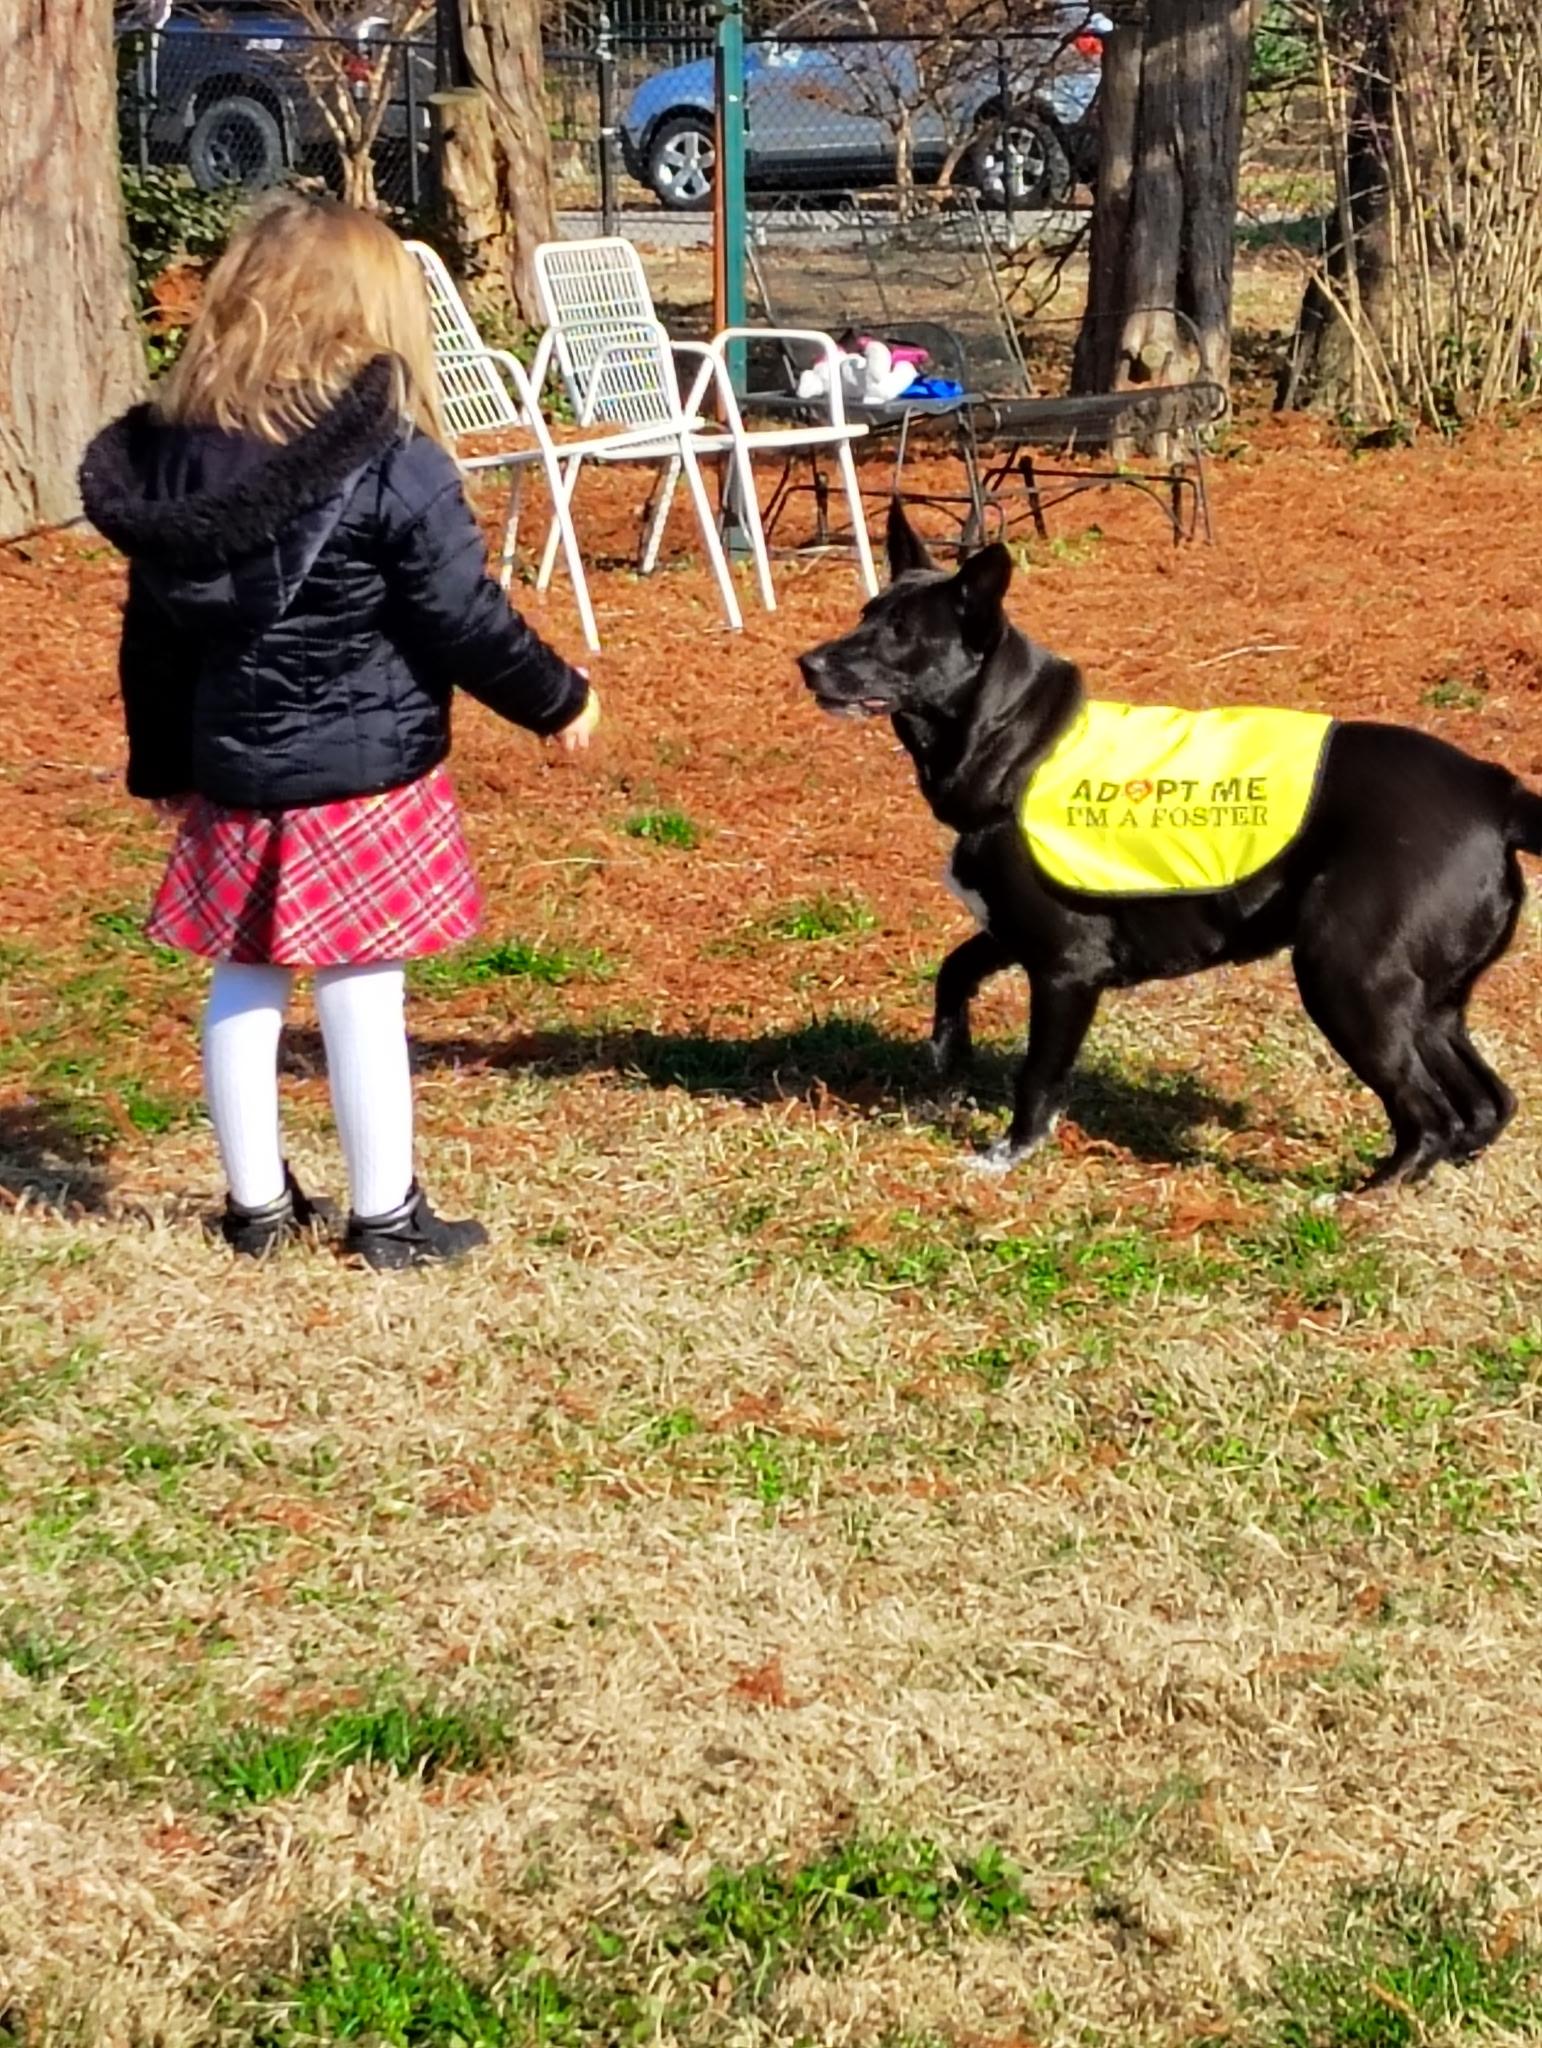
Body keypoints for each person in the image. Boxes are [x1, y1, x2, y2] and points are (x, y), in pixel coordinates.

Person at [79, 195, 598, 1269]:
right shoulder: (392, 460)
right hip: (366, 776)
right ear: (376, 314)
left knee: (245, 976)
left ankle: (257, 1205)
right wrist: (558, 696)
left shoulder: (176, 462)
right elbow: (462, 614)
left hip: (233, 767)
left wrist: (164, 762)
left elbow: (153, 640)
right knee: (363, 988)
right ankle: (384, 1214)